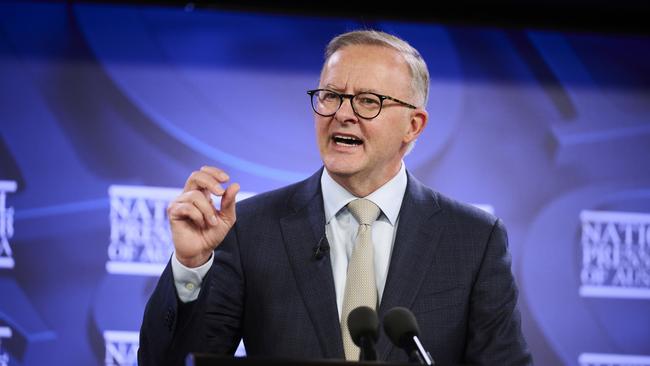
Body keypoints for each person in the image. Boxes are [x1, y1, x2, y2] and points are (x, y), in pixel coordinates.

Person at [138, 30, 532, 366]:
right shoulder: (251, 228)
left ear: (414, 125)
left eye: (368, 101)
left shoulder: (473, 240)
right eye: (330, 96)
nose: (343, 114)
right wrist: (191, 266)